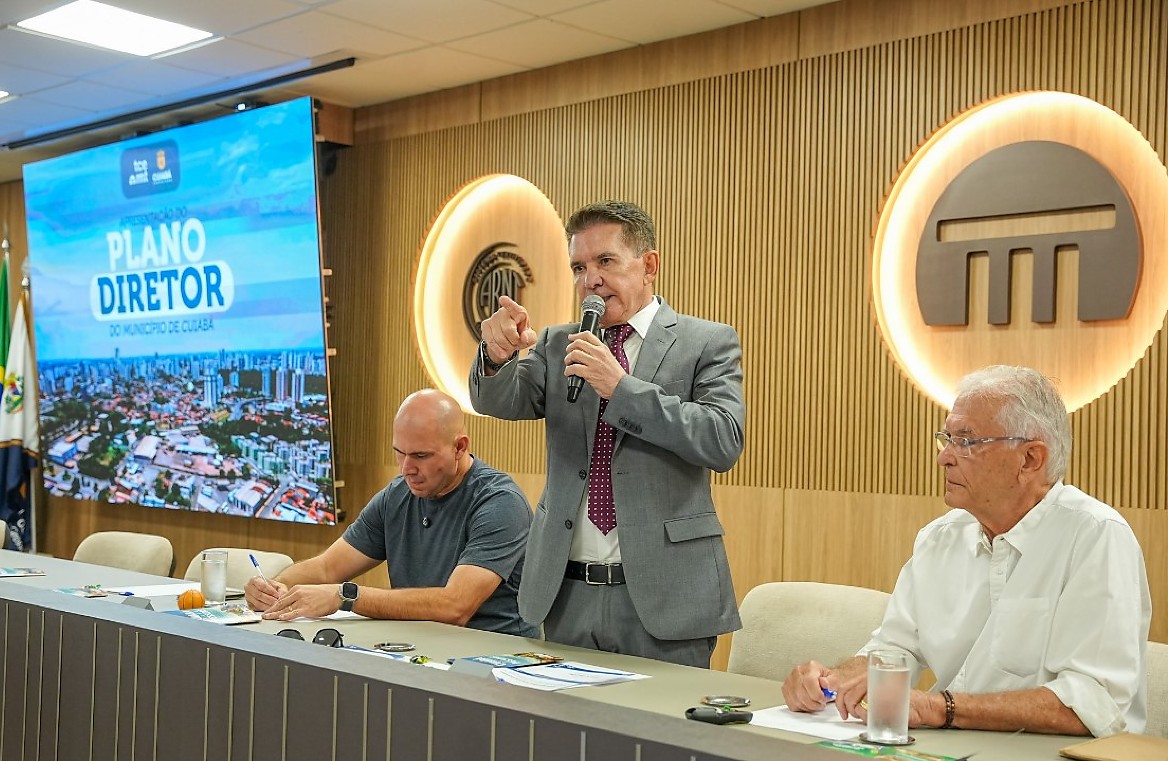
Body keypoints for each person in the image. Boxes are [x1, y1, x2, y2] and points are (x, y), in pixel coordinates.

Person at [782, 365, 1151, 737]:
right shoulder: (940, 537)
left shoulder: (1096, 537)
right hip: (951, 746)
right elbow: (895, 649)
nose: (944, 458)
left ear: (1030, 459)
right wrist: (832, 680)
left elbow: (1093, 703)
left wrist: (939, 708)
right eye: (947, 439)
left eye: (967, 442)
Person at [469, 200, 745, 668]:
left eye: (605, 262)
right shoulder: (559, 344)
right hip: (566, 593)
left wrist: (621, 389)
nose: (590, 280)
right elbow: (499, 401)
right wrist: (495, 357)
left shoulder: (706, 342)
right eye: (579, 267)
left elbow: (722, 438)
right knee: (562, 717)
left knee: (661, 718)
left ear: (649, 266)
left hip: (666, 598)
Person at [245, 388, 538, 637]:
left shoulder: (500, 502)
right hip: (418, 646)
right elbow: (326, 568)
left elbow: (455, 606)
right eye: (400, 452)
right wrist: (276, 587)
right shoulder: (398, 495)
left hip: (495, 658)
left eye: (421, 456)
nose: (406, 468)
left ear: (459, 447)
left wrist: (345, 596)